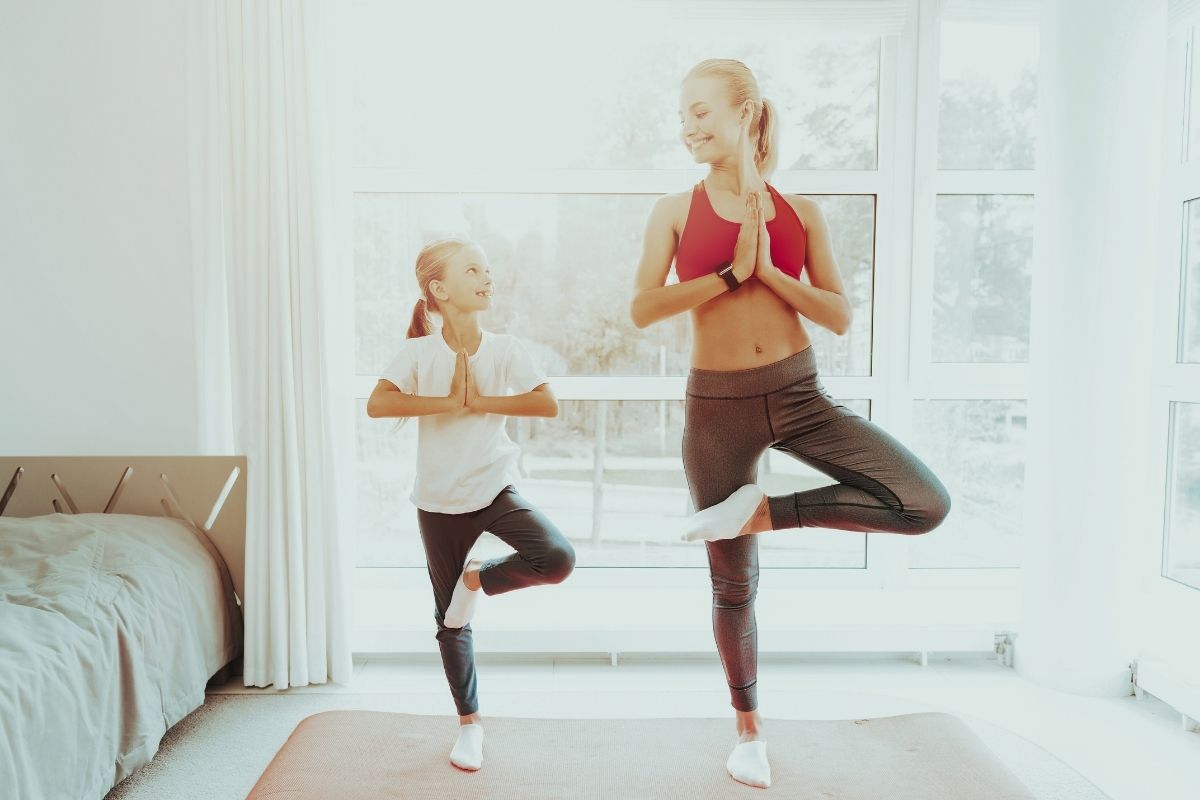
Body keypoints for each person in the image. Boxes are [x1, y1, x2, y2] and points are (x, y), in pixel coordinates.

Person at [630, 59, 952, 789]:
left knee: (922, 503)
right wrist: (723, 277)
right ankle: (748, 734)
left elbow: (837, 314)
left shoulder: (802, 212)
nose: (687, 127)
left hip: (800, 395)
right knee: (732, 581)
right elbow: (643, 307)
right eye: (681, 115)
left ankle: (768, 512)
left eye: (701, 112)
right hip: (716, 408)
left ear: (745, 114)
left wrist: (769, 268)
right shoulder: (674, 211)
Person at [366, 237, 576, 772]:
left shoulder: (504, 349)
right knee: (450, 623)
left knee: (556, 559)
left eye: (487, 269)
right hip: (436, 502)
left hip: (493, 489)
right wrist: (447, 401)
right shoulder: (417, 353)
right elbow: (378, 403)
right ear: (439, 289)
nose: (488, 277)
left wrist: (478, 400)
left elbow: (545, 401)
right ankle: (469, 726)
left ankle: (477, 578)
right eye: (473, 270)